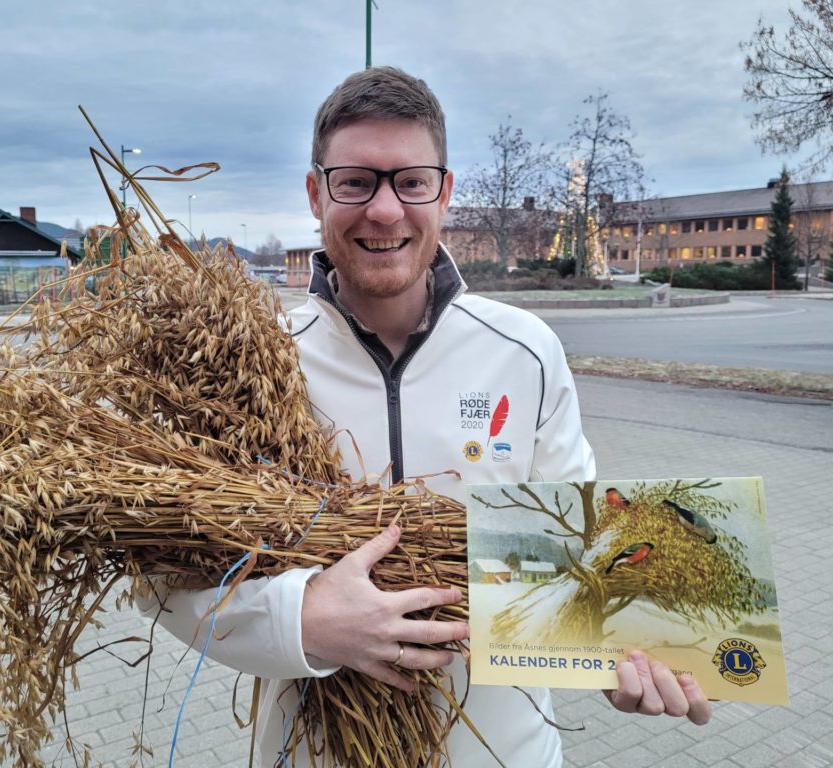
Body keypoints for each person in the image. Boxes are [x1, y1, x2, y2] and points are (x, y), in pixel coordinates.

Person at [141, 66, 711, 767]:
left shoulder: (524, 353)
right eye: (356, 181)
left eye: (410, 181)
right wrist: (304, 621)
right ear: (316, 193)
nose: (385, 210)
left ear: (444, 191)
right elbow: (166, 579)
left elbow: (581, 561)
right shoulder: (249, 368)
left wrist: (622, 662)